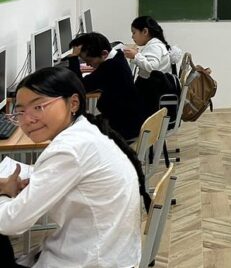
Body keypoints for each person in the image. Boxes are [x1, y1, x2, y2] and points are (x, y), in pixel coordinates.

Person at [0, 67, 148, 267]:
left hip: (92, 260)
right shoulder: (84, 133)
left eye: (38, 107)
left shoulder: (69, 150)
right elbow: (63, 175)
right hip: (112, 253)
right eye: (20, 112)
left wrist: (5, 193)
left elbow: (11, 223)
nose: (27, 120)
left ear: (73, 103)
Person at [69, 32, 146, 141]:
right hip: (130, 119)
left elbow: (79, 86)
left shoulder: (109, 67)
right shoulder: (118, 56)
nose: (88, 65)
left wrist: (73, 58)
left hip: (123, 127)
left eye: (89, 61)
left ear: (104, 54)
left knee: (78, 133)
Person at [123, 16, 179, 117]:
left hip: (151, 92)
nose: (132, 36)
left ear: (145, 31)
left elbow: (152, 67)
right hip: (152, 89)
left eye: (134, 32)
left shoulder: (154, 46)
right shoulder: (155, 45)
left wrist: (136, 56)